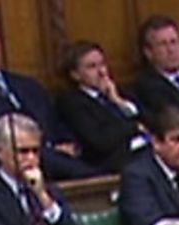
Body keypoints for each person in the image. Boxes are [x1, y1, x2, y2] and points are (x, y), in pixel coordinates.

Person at [0, 13, 92, 180]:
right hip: (20, 168)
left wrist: (70, 144)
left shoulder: (28, 84)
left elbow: (56, 120)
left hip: (61, 161)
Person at [54, 41, 144, 174]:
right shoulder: (72, 102)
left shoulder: (117, 92)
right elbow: (100, 141)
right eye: (92, 67)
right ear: (75, 75)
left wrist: (118, 101)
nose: (102, 72)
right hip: (111, 164)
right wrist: (134, 127)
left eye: (102, 64)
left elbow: (148, 120)